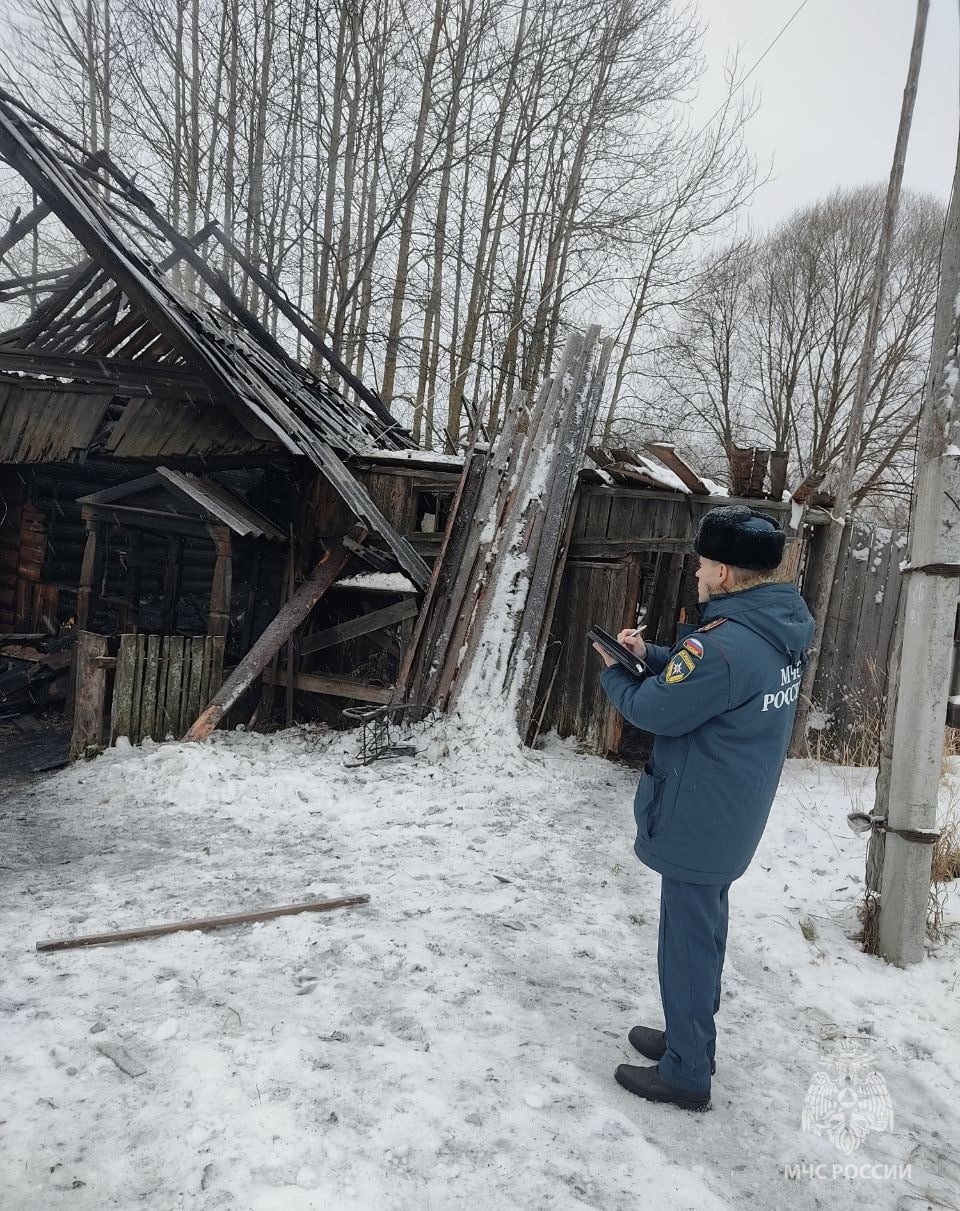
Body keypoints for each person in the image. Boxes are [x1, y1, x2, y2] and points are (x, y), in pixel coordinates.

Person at [592, 504, 815, 1111]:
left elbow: (656, 710)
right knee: (702, 931)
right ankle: (689, 1038)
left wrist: (617, 672)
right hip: (730, 808)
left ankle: (687, 1072)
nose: (695, 573)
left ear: (722, 571)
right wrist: (657, 656)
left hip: (700, 810)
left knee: (688, 940)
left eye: (700, 564)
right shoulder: (773, 627)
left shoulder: (724, 645)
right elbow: (713, 683)